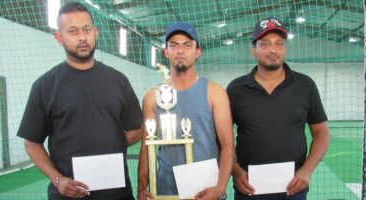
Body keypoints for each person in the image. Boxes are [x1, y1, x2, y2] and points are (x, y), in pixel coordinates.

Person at [17, 2, 142, 200]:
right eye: (73, 31)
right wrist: (58, 180)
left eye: (86, 30)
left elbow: (137, 129)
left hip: (117, 194)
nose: (82, 37)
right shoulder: (44, 86)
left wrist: (109, 147)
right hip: (68, 196)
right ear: (59, 38)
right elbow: (32, 143)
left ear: (96, 32)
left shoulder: (118, 81)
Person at [226, 17, 330, 200]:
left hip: (293, 189)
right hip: (248, 188)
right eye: (265, 44)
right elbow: (223, 138)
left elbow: (321, 133)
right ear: (253, 50)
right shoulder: (235, 89)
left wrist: (306, 171)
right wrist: (236, 171)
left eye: (279, 44)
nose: (273, 49)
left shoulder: (305, 85)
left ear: (285, 49)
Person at [137, 22, 234, 200]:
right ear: (166, 52)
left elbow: (228, 146)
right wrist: (142, 186)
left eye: (187, 45)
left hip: (206, 190)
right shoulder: (152, 97)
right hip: (165, 191)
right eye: (174, 45)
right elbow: (146, 147)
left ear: (198, 51)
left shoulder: (215, 93)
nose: (180, 50)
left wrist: (219, 189)